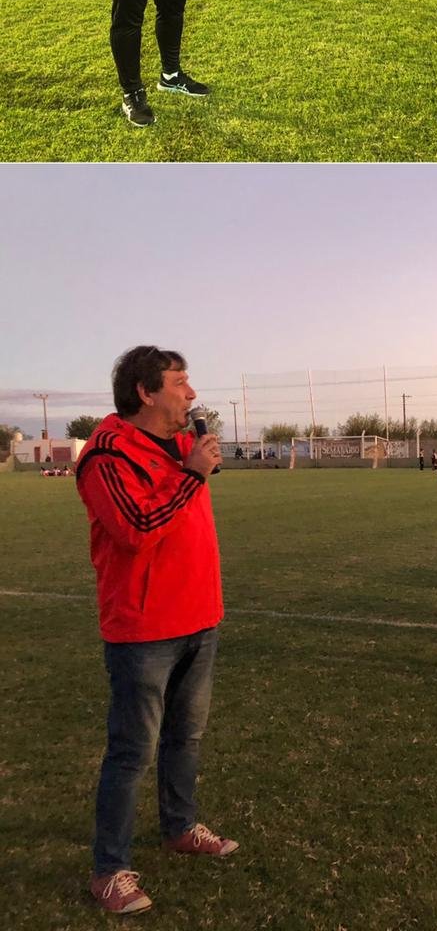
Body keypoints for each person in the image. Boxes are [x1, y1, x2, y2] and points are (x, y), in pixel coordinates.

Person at [75, 347, 235, 916]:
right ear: (145, 391)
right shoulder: (106, 453)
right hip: (144, 628)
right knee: (132, 751)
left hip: (200, 617)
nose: (192, 394)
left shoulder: (182, 445)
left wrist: (192, 466)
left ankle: (180, 826)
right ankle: (109, 869)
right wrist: (192, 477)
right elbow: (135, 528)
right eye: (180, 382)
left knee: (185, 737)